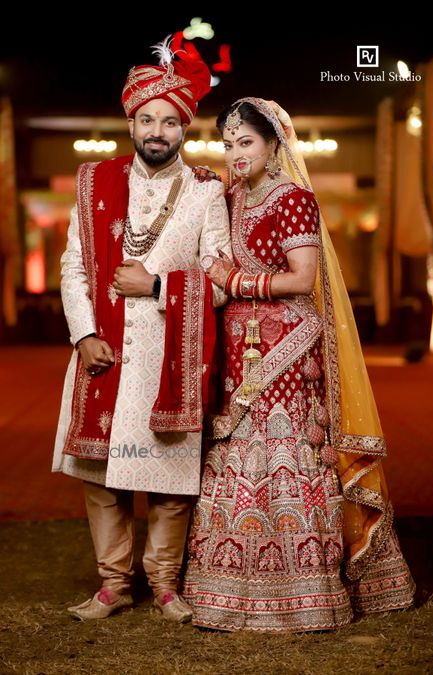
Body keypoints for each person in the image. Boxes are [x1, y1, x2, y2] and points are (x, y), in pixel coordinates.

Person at [183, 98, 416, 632]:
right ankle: (226, 585)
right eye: (228, 144)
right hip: (237, 345)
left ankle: (304, 589)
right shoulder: (229, 197)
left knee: (285, 450)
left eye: (246, 143)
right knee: (236, 449)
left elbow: (301, 277)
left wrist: (237, 281)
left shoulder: (293, 198)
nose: (236, 154)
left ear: (273, 145)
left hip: (286, 345)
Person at [52, 38, 232, 622]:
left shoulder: (206, 191)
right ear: (131, 122)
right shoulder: (94, 182)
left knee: (169, 480)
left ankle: (165, 584)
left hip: (168, 357)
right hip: (103, 351)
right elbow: (74, 267)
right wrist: (84, 336)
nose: (157, 131)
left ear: (184, 128)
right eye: (147, 119)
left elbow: (220, 279)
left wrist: (156, 286)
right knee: (102, 478)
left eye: (169, 121)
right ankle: (113, 585)